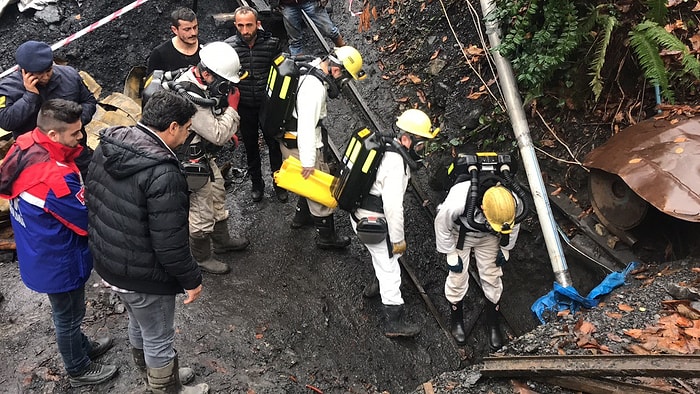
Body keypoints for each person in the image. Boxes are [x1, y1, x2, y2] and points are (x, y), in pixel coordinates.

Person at [86, 89, 209, 394]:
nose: (187, 133)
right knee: (158, 336)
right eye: (187, 127)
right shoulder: (163, 173)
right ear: (172, 128)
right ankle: (167, 388)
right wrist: (191, 279)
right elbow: (170, 243)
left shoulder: (110, 144)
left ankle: (157, 373)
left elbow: (93, 197)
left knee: (140, 323)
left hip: (111, 263)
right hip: (142, 274)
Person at [0, 99, 117, 388]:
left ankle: (81, 346)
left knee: (67, 311)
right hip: (59, 259)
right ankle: (77, 368)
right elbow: (85, 220)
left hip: (37, 248)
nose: (81, 137)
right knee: (68, 314)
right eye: (75, 133)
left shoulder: (26, 143)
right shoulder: (56, 179)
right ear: (53, 134)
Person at [352, 109, 439, 338]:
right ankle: (394, 321)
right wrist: (398, 240)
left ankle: (375, 285)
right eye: (421, 145)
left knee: (380, 256)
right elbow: (393, 208)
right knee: (390, 264)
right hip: (371, 219)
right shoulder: (396, 164)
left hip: (359, 211)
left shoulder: (387, 147)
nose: (423, 151)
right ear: (406, 139)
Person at [174, 41, 250, 275]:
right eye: (223, 82)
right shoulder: (189, 96)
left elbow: (212, 121)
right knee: (200, 210)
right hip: (191, 163)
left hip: (203, 153)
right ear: (206, 73)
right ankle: (202, 257)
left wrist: (227, 132)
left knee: (217, 193)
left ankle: (222, 241)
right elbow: (217, 133)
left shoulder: (200, 84)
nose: (225, 88)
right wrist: (233, 111)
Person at [280, 45, 366, 249]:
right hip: (302, 143)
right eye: (343, 78)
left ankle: (301, 218)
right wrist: (309, 162)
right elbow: (307, 127)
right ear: (336, 70)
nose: (341, 84)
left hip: (290, 139)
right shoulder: (315, 90)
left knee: (304, 185)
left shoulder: (310, 68)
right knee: (317, 187)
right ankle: (326, 238)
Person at [434, 175, 524, 350]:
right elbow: (441, 225)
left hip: (489, 236)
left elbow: (513, 224)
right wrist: (451, 253)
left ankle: (493, 323)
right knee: (458, 277)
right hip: (462, 235)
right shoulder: (458, 200)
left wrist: (506, 248)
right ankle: (456, 319)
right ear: (483, 207)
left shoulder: (512, 201)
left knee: (492, 275)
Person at [0, 40, 97, 177]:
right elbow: (6, 121)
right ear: (24, 71)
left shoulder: (69, 75)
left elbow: (89, 101)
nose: (46, 77)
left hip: (74, 150)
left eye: (48, 71)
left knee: (86, 183)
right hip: (37, 157)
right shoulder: (7, 88)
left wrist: (74, 123)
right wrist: (30, 96)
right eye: (39, 74)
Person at [225, 6, 287, 203]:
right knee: (251, 147)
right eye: (241, 26)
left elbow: (282, 74)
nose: (245, 31)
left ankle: (279, 183)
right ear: (235, 25)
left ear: (257, 24)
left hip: (268, 106)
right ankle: (256, 184)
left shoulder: (272, 44)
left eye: (249, 25)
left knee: (274, 146)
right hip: (244, 107)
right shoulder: (229, 48)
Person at [277, 0, 346, 56]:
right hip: (287, 5)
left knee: (330, 31)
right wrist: (274, 3)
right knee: (295, 42)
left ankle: (346, 55)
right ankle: (301, 68)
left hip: (311, 2)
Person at [147, 7, 202, 74]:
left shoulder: (207, 49)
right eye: (187, 29)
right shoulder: (160, 54)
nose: (193, 33)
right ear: (175, 30)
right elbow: (151, 82)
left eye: (195, 27)